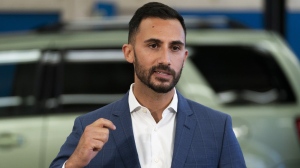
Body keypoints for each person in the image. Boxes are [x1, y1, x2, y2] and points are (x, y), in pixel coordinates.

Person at [50, 2, 246, 168]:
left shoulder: (217, 128)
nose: (166, 59)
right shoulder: (90, 127)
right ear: (129, 53)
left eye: (175, 48)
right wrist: (74, 163)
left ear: (184, 57)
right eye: (153, 45)